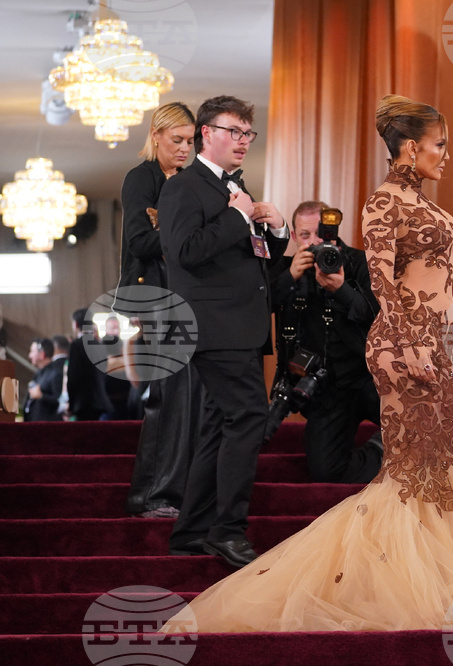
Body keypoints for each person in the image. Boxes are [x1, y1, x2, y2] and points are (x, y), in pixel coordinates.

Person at [163, 94, 453, 633]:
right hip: (404, 345)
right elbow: (382, 283)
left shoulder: (422, 203)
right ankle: (397, 581)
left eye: (249, 132)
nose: (446, 155)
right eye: (440, 145)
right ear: (410, 147)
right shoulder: (382, 203)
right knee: (412, 473)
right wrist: (408, 344)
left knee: (448, 468)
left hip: (441, 343)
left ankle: (450, 577)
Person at [158, 95, 289, 567]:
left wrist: (276, 231)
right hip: (213, 326)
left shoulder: (236, 189)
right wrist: (237, 216)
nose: (243, 142)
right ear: (205, 133)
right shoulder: (183, 188)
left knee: (219, 424)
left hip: (242, 325)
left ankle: (192, 531)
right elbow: (184, 252)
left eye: (249, 133)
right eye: (234, 131)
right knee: (250, 415)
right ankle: (228, 529)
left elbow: (252, 262)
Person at [119, 101, 202, 518]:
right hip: (149, 298)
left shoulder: (189, 181)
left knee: (188, 398)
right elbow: (139, 241)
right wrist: (183, 237)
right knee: (167, 398)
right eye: (178, 140)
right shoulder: (142, 177)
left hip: (186, 299)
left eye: (191, 141)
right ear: (156, 136)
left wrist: (170, 232)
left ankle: (175, 493)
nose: (186, 148)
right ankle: (151, 496)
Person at [267, 200, 383, 483]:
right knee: (326, 470)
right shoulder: (287, 267)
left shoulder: (359, 262)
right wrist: (289, 277)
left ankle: (393, 444)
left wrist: (342, 290)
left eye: (321, 233)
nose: (315, 242)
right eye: (305, 235)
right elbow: (257, 307)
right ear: (294, 237)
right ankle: (381, 451)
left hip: (370, 377)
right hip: (327, 389)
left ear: (332, 230)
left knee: (422, 426)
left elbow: (378, 317)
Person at [66, 308, 112, 421]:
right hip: (100, 400)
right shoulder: (100, 345)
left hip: (83, 402)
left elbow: (73, 376)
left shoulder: (76, 345)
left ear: (75, 324)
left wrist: (71, 403)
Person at [24, 338, 64, 421]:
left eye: (32, 351)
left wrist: (41, 396)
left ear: (42, 354)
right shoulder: (39, 374)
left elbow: (59, 402)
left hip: (46, 426)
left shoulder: (56, 373)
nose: (30, 355)